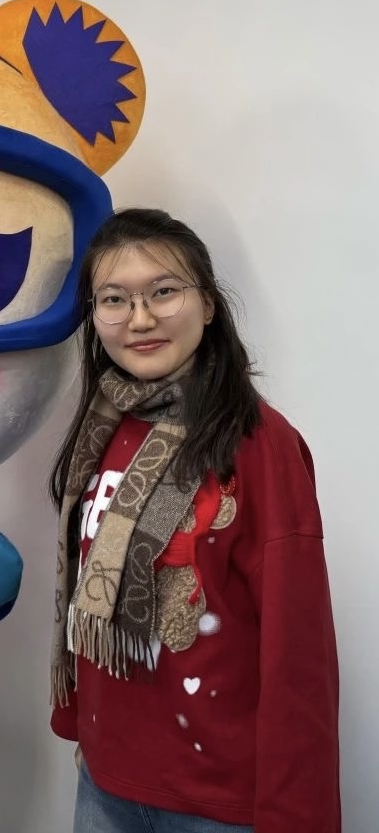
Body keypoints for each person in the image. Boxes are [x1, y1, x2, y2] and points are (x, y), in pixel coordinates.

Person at [48, 208, 340, 832]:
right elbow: (83, 597)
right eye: (114, 299)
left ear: (207, 304)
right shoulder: (105, 425)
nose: (140, 319)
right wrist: (86, 735)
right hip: (105, 782)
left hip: (217, 803)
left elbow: (298, 650)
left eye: (163, 291)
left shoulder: (260, 444)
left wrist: (296, 813)